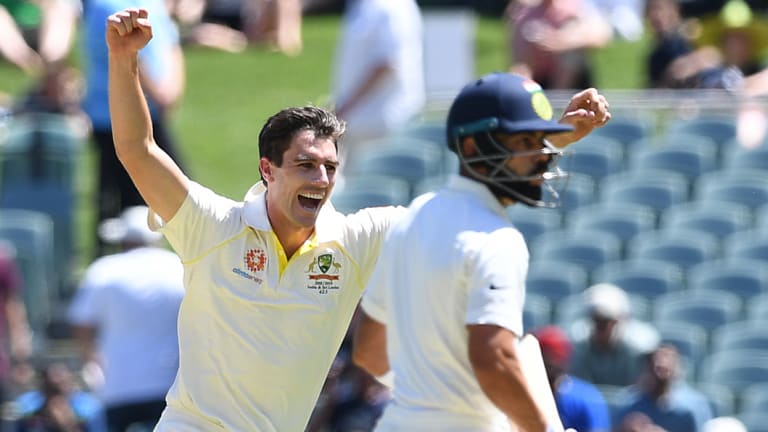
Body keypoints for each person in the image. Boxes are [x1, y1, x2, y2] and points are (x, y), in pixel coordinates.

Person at [106, 8, 609, 430]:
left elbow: (459, 201)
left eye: (330, 167)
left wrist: (547, 140)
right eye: (305, 165)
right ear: (267, 170)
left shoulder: (354, 238)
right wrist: (125, 60)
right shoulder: (211, 225)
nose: (321, 179)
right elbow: (137, 149)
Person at [351, 71, 610, 431]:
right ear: (473, 148)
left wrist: (432, 395)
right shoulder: (498, 240)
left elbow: (368, 350)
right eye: (525, 141)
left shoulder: (413, 218)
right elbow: (494, 361)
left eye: (540, 139)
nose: (538, 154)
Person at [76, 0, 187, 255]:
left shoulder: (153, 4)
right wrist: (162, 92)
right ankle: (112, 263)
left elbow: (171, 42)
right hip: (113, 118)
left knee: (152, 194)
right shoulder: (106, 7)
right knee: (119, 201)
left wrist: (169, 90)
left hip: (149, 114)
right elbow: (128, 51)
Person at [66, 205, 185, 431]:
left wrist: (91, 359)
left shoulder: (105, 270)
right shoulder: (178, 269)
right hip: (171, 385)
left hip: (118, 385)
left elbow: (81, 322)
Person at [331, 0, 425, 178]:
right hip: (361, 122)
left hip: (379, 123)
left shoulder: (391, 7)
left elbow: (388, 63)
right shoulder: (368, 5)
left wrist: (346, 107)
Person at [505, 0, 613, 89]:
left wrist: (559, 42)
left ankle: (558, 101)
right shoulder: (526, 13)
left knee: (572, 54)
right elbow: (518, 61)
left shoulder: (574, 7)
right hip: (538, 76)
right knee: (519, 70)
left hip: (573, 80)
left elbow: (601, 37)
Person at [570, 283, 660, 387]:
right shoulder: (579, 345)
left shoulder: (638, 347)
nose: (600, 327)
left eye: (606, 322)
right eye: (596, 320)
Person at [613, 344, 713, 432]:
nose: (658, 372)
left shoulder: (693, 407)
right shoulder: (628, 404)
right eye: (653, 366)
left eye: (664, 369)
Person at [533, 325, 611, 432]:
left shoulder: (586, 397)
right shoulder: (527, 394)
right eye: (543, 358)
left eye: (552, 358)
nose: (547, 364)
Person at [13, 361, 108, 432]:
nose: (57, 400)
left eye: (60, 386)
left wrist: (68, 425)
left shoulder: (90, 408)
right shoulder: (28, 406)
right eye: (51, 388)